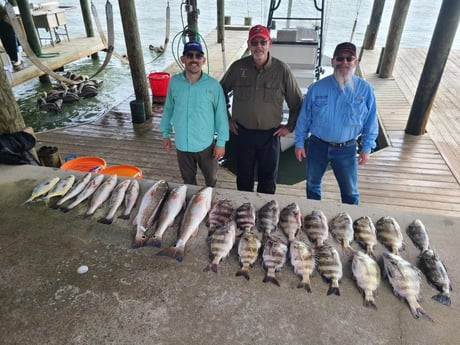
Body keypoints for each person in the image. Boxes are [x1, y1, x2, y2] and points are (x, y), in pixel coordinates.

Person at [220, 24, 303, 194]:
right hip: (242, 133)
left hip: (270, 135)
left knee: (268, 179)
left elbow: (297, 103)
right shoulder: (237, 68)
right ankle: (244, 212)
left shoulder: (282, 70)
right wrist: (226, 119)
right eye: (254, 42)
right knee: (243, 177)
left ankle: (266, 216)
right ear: (249, 44)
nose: (259, 46)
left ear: (269, 44)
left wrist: (289, 127)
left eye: (262, 42)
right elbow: (218, 94)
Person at [294, 42, 378, 205]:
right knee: (312, 185)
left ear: (356, 62)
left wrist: (366, 148)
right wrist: (299, 143)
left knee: (350, 191)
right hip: (317, 145)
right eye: (340, 58)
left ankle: (353, 224)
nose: (344, 63)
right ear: (333, 62)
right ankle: (314, 217)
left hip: (346, 148)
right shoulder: (316, 88)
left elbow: (371, 121)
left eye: (349, 58)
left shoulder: (366, 89)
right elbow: (304, 118)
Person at [160, 41, 229, 187]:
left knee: (211, 180)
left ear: (203, 60)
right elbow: (168, 109)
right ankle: (192, 207)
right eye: (189, 55)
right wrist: (165, 134)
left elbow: (221, 116)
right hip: (182, 144)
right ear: (183, 59)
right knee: (188, 182)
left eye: (198, 56)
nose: (194, 59)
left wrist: (221, 143)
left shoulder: (213, 85)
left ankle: (208, 204)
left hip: (206, 145)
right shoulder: (174, 82)